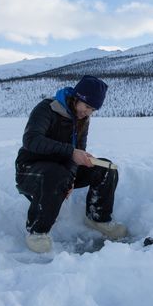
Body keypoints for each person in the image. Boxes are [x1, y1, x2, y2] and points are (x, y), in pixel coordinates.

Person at [15, 75, 127, 253]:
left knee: (105, 168)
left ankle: (98, 218)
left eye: (93, 110)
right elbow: (31, 140)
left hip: (60, 169)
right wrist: (70, 153)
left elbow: (78, 150)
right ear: (77, 98)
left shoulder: (82, 118)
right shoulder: (47, 108)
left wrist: (72, 177)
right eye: (87, 106)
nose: (88, 112)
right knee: (56, 174)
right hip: (30, 169)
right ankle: (37, 231)